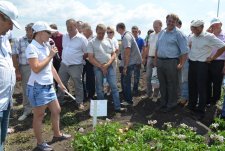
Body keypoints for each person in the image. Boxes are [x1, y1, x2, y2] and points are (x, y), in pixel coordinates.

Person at [25, 21, 71, 150]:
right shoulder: (32, 48)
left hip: (49, 85)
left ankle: (57, 135)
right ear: (39, 33)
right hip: (37, 87)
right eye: (48, 32)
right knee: (39, 116)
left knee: (56, 110)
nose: (50, 35)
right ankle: (40, 144)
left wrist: (61, 84)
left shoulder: (45, 45)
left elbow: (51, 68)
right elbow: (36, 68)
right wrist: (50, 55)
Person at [188, 20, 225, 120]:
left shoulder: (209, 36)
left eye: (196, 28)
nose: (194, 30)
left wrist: (212, 57)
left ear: (201, 27)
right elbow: (190, 45)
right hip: (192, 63)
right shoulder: (192, 36)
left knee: (201, 87)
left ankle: (200, 110)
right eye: (193, 28)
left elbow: (223, 46)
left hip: (202, 64)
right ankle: (191, 106)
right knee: (192, 86)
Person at [155, 14, 189, 113]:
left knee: (172, 84)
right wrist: (156, 60)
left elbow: (185, 51)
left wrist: (181, 64)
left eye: (173, 21)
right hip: (161, 61)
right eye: (169, 21)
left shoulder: (179, 34)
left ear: (176, 22)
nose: (170, 23)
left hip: (172, 62)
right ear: (166, 20)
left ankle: (171, 104)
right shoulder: (162, 32)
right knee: (162, 83)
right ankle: (163, 103)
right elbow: (158, 48)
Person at [88, 24, 125, 112]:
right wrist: (101, 66)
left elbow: (113, 54)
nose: (101, 35)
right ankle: (101, 110)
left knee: (114, 87)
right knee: (99, 88)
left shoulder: (109, 40)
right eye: (99, 33)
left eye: (103, 33)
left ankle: (117, 107)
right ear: (96, 31)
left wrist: (107, 65)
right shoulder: (91, 42)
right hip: (98, 68)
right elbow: (91, 58)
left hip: (110, 66)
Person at [0, 1, 21, 150]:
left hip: (6, 101)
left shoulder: (4, 38)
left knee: (1, 139)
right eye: (9, 22)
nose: (11, 27)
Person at [57, 19, 88, 110]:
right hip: (64, 64)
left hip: (76, 65)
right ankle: (59, 100)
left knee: (78, 84)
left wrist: (77, 59)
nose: (69, 28)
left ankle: (79, 102)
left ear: (75, 26)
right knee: (60, 83)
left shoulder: (82, 39)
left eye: (71, 26)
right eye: (68, 26)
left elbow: (86, 53)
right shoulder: (65, 36)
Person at [116, 22, 142, 105]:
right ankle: (127, 98)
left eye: (117, 30)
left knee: (126, 82)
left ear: (119, 28)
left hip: (130, 63)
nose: (117, 31)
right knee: (125, 81)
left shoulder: (126, 36)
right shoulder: (127, 35)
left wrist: (125, 66)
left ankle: (129, 100)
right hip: (131, 61)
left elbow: (127, 50)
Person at [12, 23, 33, 121]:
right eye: (29, 29)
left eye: (33, 30)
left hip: (38, 67)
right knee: (26, 89)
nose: (31, 32)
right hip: (25, 67)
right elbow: (14, 55)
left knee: (37, 88)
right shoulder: (19, 40)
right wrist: (17, 71)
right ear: (26, 29)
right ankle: (27, 110)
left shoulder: (37, 40)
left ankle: (37, 109)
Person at [206, 18, 225, 107]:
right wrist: (207, 31)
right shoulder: (209, 35)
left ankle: (215, 102)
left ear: (221, 24)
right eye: (213, 25)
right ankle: (208, 100)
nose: (215, 26)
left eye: (217, 24)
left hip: (219, 62)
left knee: (217, 83)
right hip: (208, 61)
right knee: (207, 82)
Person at [142, 20, 162, 101]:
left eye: (156, 27)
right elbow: (148, 47)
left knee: (156, 78)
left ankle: (155, 95)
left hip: (159, 58)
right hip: (150, 57)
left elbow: (159, 48)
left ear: (161, 25)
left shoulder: (163, 34)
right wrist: (144, 58)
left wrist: (156, 60)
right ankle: (149, 93)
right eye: (154, 27)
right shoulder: (151, 35)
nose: (155, 28)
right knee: (148, 77)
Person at [82, 23, 95, 100]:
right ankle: (83, 94)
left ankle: (91, 94)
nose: (83, 32)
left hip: (91, 61)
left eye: (85, 31)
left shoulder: (94, 38)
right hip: (82, 61)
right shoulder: (81, 37)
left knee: (91, 78)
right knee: (81, 78)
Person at [131, 26, 145, 95]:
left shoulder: (141, 40)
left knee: (136, 76)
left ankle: (135, 89)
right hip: (130, 61)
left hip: (137, 61)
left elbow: (143, 50)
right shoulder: (130, 40)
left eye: (135, 31)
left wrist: (142, 59)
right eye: (133, 31)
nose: (134, 33)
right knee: (129, 76)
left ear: (138, 32)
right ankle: (129, 89)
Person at [49, 24, 63, 92]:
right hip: (52, 59)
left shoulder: (62, 36)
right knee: (54, 74)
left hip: (60, 59)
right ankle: (57, 89)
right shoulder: (49, 38)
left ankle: (63, 88)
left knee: (60, 75)